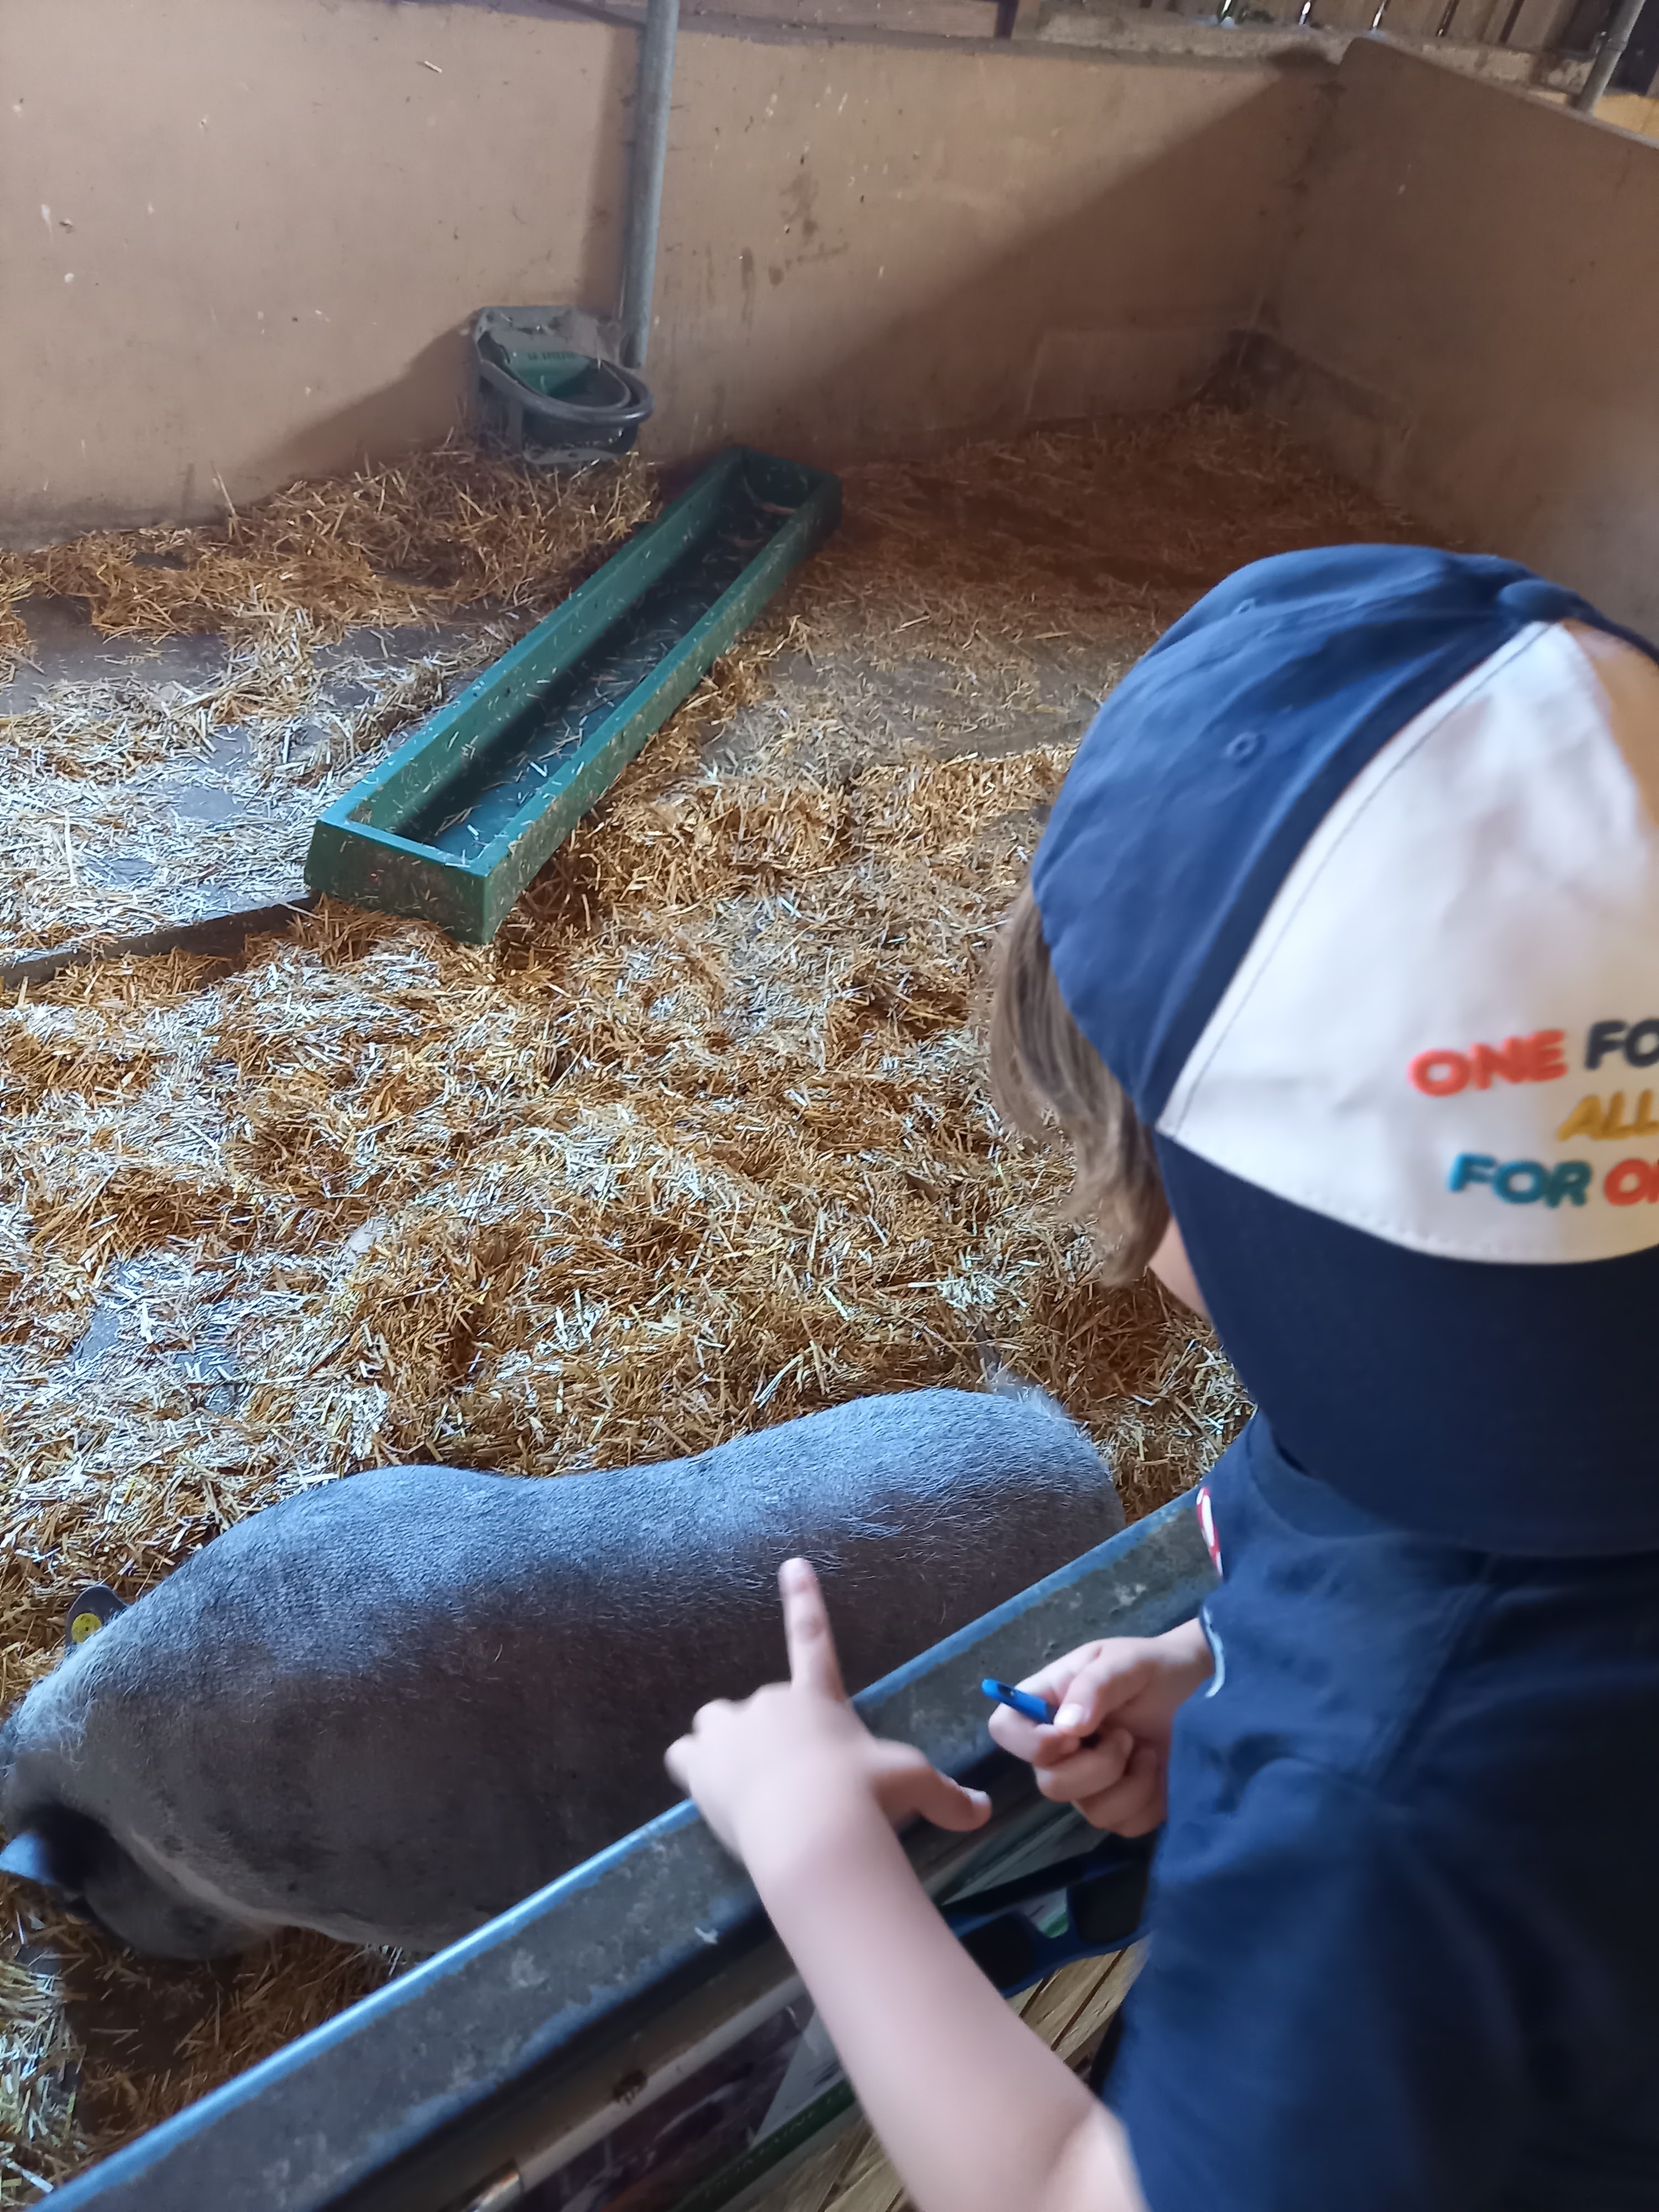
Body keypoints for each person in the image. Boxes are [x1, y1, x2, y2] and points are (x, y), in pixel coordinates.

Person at [666, 544, 1659, 2212]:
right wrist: (1228, 1665)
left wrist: (819, 1853)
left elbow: (1084, 2191)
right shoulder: (1459, 1491)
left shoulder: (1382, 1814)